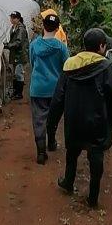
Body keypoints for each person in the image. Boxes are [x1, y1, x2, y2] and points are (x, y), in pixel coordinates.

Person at [47, 27, 112, 208]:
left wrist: (52, 123)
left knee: (72, 152)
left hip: (74, 119)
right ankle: (93, 197)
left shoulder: (70, 65)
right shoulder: (105, 67)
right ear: (102, 46)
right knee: (96, 157)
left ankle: (68, 182)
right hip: (97, 122)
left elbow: (58, 97)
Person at [29, 15, 69, 164]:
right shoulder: (61, 47)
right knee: (53, 118)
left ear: (43, 27)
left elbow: (32, 63)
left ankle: (41, 152)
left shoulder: (34, 45)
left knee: (39, 119)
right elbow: (66, 67)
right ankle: (51, 142)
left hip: (38, 87)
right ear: (58, 28)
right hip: (55, 88)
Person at [4, 11, 29, 100]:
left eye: (14, 18)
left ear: (18, 19)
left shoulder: (20, 29)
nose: (12, 19)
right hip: (16, 54)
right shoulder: (14, 27)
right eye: (11, 17)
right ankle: (15, 91)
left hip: (20, 55)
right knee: (15, 73)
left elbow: (18, 42)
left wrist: (7, 45)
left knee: (19, 74)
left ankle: (19, 93)